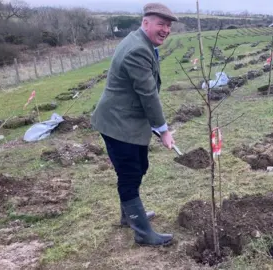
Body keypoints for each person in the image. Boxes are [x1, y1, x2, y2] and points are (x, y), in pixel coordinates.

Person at [90, 3, 178, 247]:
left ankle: (129, 215)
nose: (166, 30)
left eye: (168, 26)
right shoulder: (137, 50)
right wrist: (163, 130)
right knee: (130, 174)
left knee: (138, 167)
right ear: (146, 22)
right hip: (118, 123)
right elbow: (148, 94)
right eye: (161, 24)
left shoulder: (139, 41)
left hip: (124, 118)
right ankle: (142, 232)